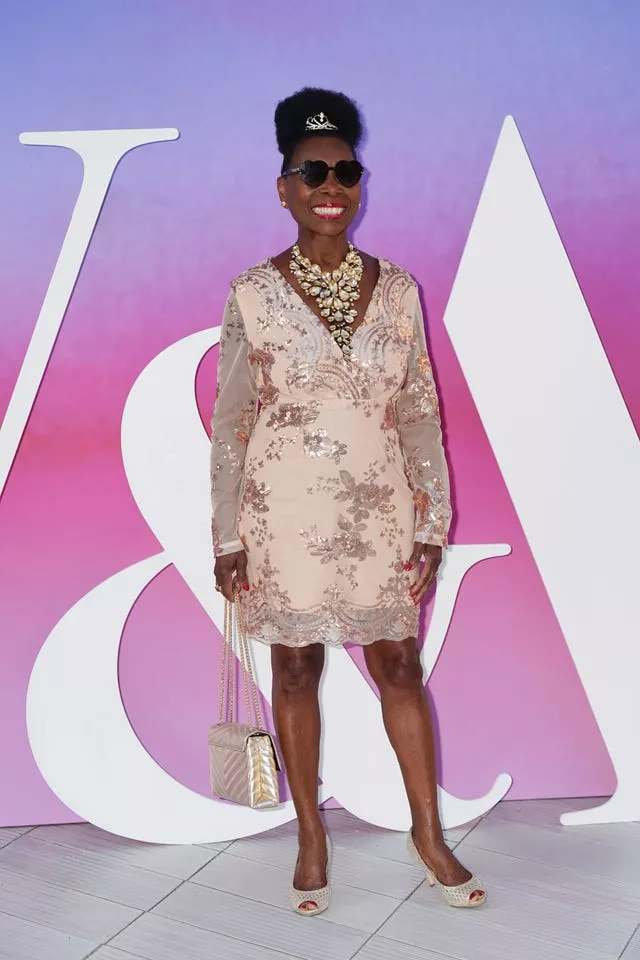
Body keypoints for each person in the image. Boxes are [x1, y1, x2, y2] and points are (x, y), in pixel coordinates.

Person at [210, 87, 485, 916]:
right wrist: (228, 536)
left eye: (347, 170)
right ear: (285, 186)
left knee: (399, 665)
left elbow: (419, 411)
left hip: (379, 513)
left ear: (360, 183)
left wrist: (432, 519)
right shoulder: (252, 292)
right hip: (281, 516)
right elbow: (230, 424)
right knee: (296, 668)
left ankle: (428, 833)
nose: (333, 184)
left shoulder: (398, 290)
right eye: (313, 170)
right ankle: (309, 835)